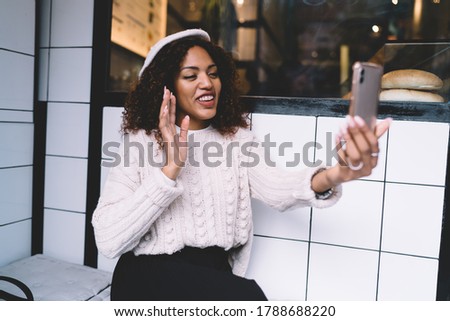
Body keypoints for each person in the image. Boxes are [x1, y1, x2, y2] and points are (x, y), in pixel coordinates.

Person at [92, 29, 391, 301]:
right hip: (148, 278)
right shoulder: (140, 142)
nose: (207, 83)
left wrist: (338, 172)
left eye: (212, 73)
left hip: (213, 276)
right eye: (190, 75)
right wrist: (170, 169)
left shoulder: (236, 139)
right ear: (165, 87)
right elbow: (107, 239)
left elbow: (279, 187)